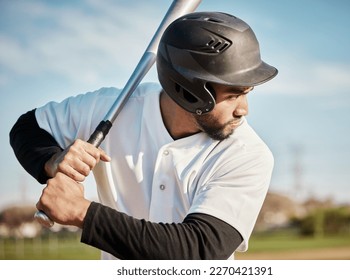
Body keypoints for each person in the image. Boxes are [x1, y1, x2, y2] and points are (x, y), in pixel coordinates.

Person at [9, 11, 277, 260]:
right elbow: (27, 128)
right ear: (189, 91)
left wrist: (83, 212)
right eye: (233, 95)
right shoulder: (111, 107)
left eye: (246, 93)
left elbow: (199, 249)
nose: (244, 110)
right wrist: (53, 161)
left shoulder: (248, 154)